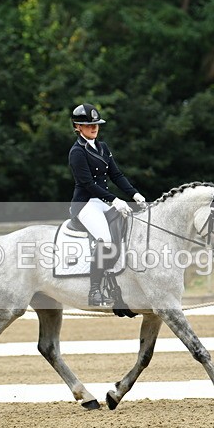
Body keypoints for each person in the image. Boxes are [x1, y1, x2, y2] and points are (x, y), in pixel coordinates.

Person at [68, 103, 146, 306]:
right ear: (78, 126)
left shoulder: (102, 148)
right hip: (85, 204)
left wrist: (134, 194)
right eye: (89, 125)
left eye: (96, 124)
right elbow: (87, 183)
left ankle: (117, 279)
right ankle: (94, 290)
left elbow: (116, 174)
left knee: (127, 228)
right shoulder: (77, 152)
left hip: (102, 201)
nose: (94, 128)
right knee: (104, 239)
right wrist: (114, 200)